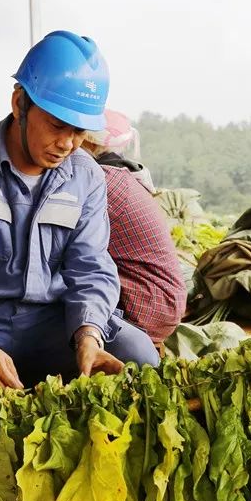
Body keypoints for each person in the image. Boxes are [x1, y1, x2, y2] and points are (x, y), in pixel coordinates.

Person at [0, 30, 160, 390]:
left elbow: (92, 266)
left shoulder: (86, 176)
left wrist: (88, 336)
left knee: (138, 356)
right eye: (56, 125)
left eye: (79, 131)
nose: (67, 143)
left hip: (48, 323)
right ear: (20, 103)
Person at [80, 109, 187, 343]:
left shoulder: (101, 179)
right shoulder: (124, 174)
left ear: (86, 142)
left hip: (150, 304)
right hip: (165, 302)